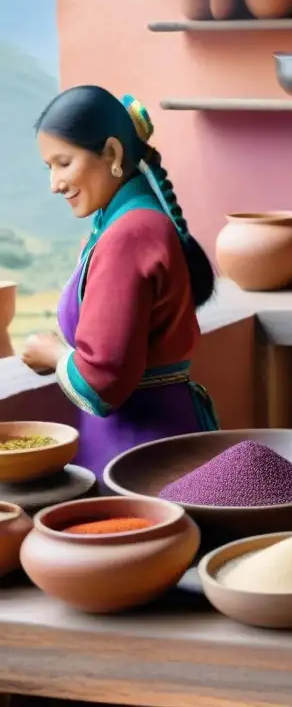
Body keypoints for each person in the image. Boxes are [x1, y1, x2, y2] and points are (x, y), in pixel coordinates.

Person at [21, 86, 219, 479]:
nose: (55, 184)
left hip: (140, 451)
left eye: (64, 163)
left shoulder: (129, 234)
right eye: (50, 168)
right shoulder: (126, 221)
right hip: (152, 434)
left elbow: (102, 384)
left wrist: (55, 355)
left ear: (111, 154)